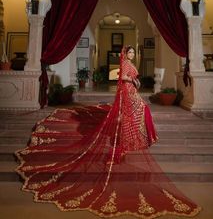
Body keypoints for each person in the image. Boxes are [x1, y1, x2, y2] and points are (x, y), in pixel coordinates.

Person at [15, 45, 201, 218]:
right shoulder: (125, 64)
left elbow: (124, 77)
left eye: (133, 53)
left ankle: (131, 139)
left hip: (130, 91)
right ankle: (128, 141)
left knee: (138, 113)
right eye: (129, 53)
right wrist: (134, 80)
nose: (131, 55)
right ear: (124, 54)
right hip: (128, 92)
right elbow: (123, 78)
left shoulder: (128, 63)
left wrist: (133, 81)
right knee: (137, 113)